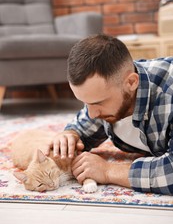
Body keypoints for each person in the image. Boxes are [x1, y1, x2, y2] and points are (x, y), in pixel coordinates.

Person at [46, 34, 173, 195]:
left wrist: (108, 170)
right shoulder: (113, 89)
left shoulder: (168, 92)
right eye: (86, 103)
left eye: (98, 103)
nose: (91, 114)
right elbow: (82, 128)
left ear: (132, 82)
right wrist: (69, 135)